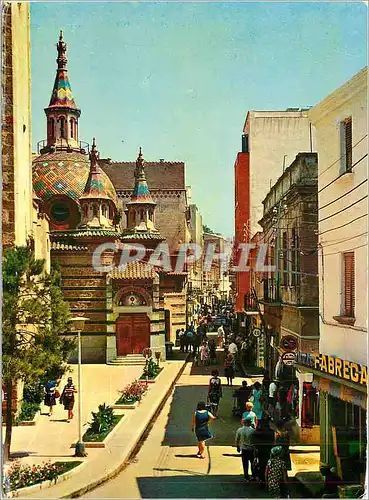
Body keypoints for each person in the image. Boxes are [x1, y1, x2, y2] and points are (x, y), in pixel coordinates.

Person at [254, 415, 275, 487]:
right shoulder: (272, 432)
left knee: (261, 465)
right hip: (268, 450)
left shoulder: (258, 432)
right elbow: (273, 442)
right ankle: (268, 479)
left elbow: (255, 441)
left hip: (260, 451)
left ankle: (262, 480)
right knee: (268, 465)